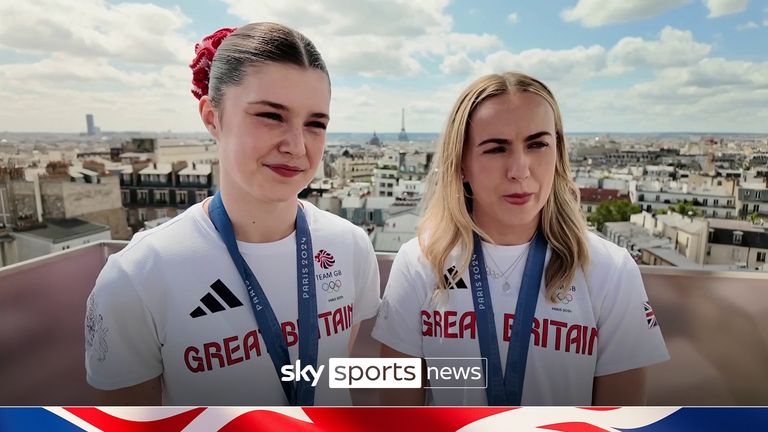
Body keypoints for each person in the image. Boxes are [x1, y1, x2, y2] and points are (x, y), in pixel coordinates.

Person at [85, 22, 380, 406]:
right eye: (271, 116)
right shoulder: (138, 275)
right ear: (212, 117)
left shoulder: (350, 246)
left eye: (315, 124)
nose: (297, 145)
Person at [372, 72, 669, 406]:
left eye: (538, 144)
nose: (519, 169)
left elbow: (620, 420)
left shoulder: (610, 270)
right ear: (461, 165)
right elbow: (398, 415)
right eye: (496, 149)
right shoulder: (419, 263)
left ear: (558, 155)